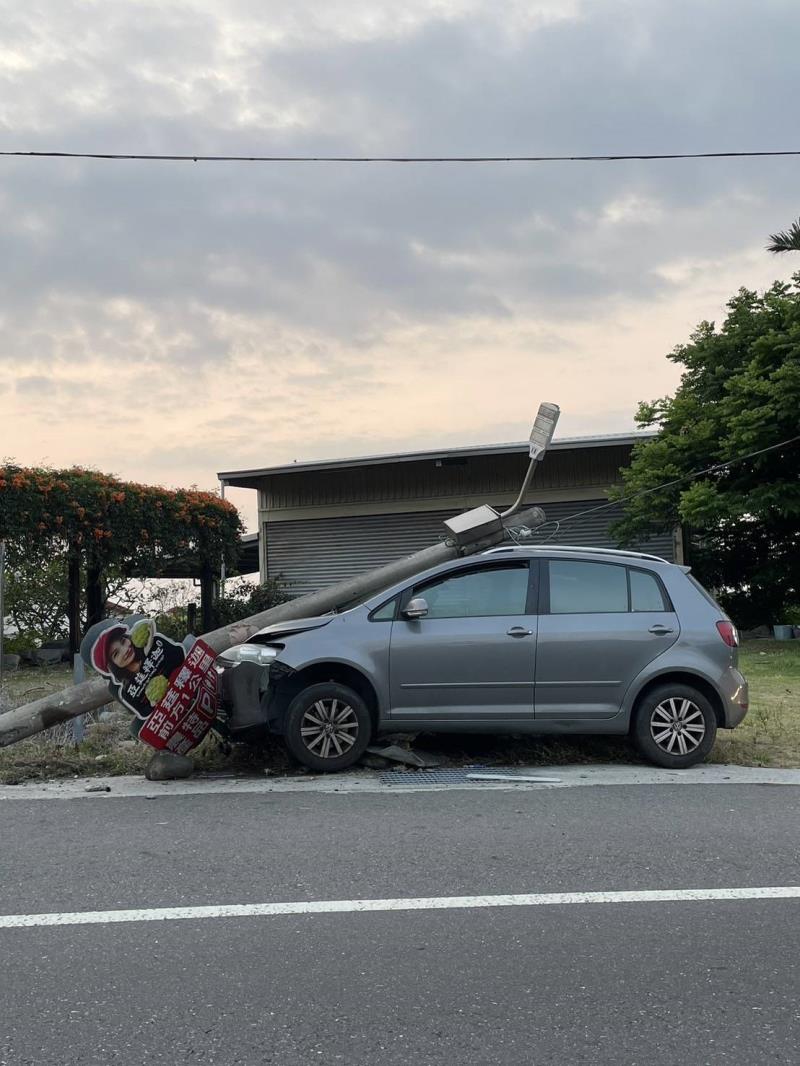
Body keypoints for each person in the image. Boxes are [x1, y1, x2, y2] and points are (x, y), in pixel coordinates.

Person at [91, 622, 185, 720]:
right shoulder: (128, 693)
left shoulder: (156, 645)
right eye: (116, 654)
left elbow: (181, 655)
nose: (125, 650)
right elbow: (145, 712)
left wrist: (150, 648)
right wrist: (153, 703)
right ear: (113, 666)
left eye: (123, 641)